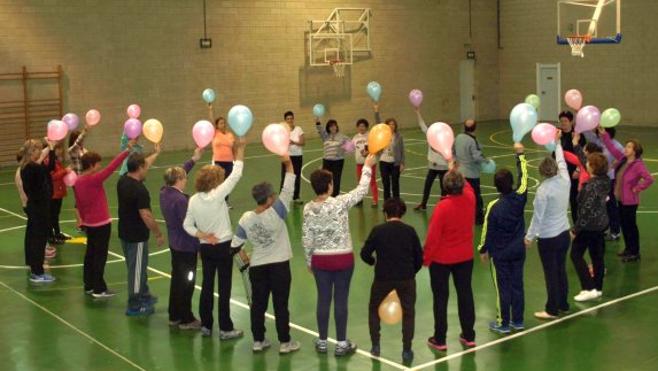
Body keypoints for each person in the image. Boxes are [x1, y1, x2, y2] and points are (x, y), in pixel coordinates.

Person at [303, 153, 378, 356]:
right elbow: (362, 190)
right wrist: (368, 166)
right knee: (341, 300)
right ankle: (342, 343)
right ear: (328, 186)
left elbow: (307, 238)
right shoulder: (340, 203)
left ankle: (322, 341)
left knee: (323, 299)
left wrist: (309, 261)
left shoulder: (308, 209)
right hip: (343, 259)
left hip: (320, 261)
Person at [230, 155, 301, 354]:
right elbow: (289, 187)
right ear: (270, 198)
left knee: (258, 305)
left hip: (258, 268)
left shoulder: (246, 218)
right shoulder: (278, 211)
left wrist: (244, 255)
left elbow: (235, 245)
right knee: (281, 305)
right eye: (273, 196)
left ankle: (258, 341)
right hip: (279, 266)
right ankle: (285, 343)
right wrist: (288, 163)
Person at [184, 138, 247, 339]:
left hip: (206, 248)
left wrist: (202, 235)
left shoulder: (193, 199)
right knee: (224, 287)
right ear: (214, 182)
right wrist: (241, 150)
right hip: (222, 247)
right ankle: (226, 328)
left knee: (208, 286)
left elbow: (187, 225)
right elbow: (236, 174)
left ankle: (206, 325)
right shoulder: (217, 195)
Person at [360, 198, 422, 363]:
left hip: (383, 278)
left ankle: (375, 346)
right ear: (402, 213)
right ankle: (407, 350)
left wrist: (373, 262)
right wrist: (411, 272)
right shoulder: (410, 231)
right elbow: (419, 258)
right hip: (406, 278)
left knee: (374, 309)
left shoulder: (378, 230)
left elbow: (365, 253)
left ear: (385, 213)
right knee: (409, 313)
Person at [423, 163, 477, 351]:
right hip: (465, 257)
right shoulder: (470, 198)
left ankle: (440, 339)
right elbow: (467, 185)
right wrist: (454, 169)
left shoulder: (442, 207)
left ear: (445, 187)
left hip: (442, 260)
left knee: (441, 298)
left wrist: (426, 258)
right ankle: (469, 335)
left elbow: (433, 237)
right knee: (465, 294)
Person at [478, 143, 528, 334]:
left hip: (500, 253)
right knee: (517, 284)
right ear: (511, 182)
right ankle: (518, 320)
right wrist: (520, 155)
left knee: (502, 287)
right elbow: (524, 179)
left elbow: (487, 230)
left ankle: (503, 322)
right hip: (518, 250)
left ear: (496, 186)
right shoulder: (520, 198)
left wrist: (483, 249)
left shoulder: (494, 206)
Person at [74, 143, 134, 298]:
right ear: (92, 165)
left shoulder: (78, 181)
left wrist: (82, 219)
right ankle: (99, 289)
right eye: (98, 164)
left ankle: (89, 284)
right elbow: (112, 167)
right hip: (101, 223)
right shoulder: (94, 179)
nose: (100, 166)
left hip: (89, 223)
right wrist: (126, 151)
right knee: (100, 256)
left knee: (90, 254)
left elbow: (79, 203)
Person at [525, 131, 571, 320]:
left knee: (550, 273)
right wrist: (558, 143)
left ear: (542, 173)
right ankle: (563, 303)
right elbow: (562, 161)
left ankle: (551, 309)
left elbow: (538, 218)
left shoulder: (543, 191)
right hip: (564, 234)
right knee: (561, 269)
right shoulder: (565, 180)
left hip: (548, 239)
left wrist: (529, 237)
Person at [160, 147, 204, 330]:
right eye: (184, 178)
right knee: (187, 282)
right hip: (186, 247)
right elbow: (189, 227)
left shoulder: (164, 192)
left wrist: (193, 160)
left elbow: (180, 171)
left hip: (175, 245)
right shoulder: (180, 201)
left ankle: (174, 314)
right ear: (178, 180)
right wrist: (200, 247)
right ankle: (186, 318)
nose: (186, 179)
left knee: (176, 280)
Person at [117, 149, 165, 316]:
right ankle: (135, 305)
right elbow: (146, 214)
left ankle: (144, 294)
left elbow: (144, 164)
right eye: (145, 167)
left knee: (139, 266)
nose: (147, 169)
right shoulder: (140, 190)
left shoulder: (122, 180)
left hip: (124, 232)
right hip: (136, 236)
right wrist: (158, 233)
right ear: (139, 168)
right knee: (136, 270)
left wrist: (156, 153)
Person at [600, 127, 654, 262]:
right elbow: (612, 148)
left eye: (629, 147)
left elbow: (649, 179)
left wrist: (637, 188)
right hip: (621, 199)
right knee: (624, 225)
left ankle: (635, 252)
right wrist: (604, 135)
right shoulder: (623, 159)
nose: (626, 148)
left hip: (630, 201)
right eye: (626, 146)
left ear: (635, 151)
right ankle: (628, 249)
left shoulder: (638, 165)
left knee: (631, 226)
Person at [570, 152, 610, 302]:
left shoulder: (590, 188)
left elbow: (586, 212)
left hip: (589, 227)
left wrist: (575, 229)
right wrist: (577, 146)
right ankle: (598, 288)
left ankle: (588, 287)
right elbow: (585, 161)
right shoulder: (604, 181)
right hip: (601, 225)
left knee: (575, 255)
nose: (586, 164)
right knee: (597, 256)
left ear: (592, 167)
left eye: (589, 163)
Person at [20, 138, 57, 283]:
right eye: (38, 150)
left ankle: (33, 266)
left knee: (31, 238)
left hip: (33, 206)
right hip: (40, 208)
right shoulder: (34, 168)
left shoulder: (25, 167)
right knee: (39, 241)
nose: (40, 152)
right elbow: (51, 167)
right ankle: (37, 272)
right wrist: (52, 149)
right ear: (33, 151)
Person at [414, 108, 448, 210]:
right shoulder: (430, 135)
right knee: (427, 185)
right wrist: (417, 112)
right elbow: (422, 125)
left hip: (443, 167)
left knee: (444, 188)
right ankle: (423, 204)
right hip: (432, 167)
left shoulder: (446, 138)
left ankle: (443, 206)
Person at [454, 119, 487, 225]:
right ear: (475, 128)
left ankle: (461, 217)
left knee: (461, 196)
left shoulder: (458, 137)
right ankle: (478, 219)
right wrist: (486, 161)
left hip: (460, 173)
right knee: (476, 197)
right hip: (472, 174)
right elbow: (477, 157)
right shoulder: (472, 141)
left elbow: (452, 151)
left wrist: (457, 161)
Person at [558, 111, 586, 223]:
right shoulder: (558, 134)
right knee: (561, 201)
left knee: (575, 202)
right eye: (561, 121)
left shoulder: (578, 136)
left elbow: (583, 155)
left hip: (574, 174)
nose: (563, 123)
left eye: (565, 121)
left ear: (571, 122)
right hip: (561, 173)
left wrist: (578, 170)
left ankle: (577, 226)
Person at [373, 104, 405, 200]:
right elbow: (378, 123)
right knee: (386, 184)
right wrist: (376, 111)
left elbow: (402, 150)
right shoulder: (383, 134)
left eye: (393, 124)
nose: (391, 126)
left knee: (395, 184)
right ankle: (387, 203)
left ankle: (396, 202)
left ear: (395, 126)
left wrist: (402, 163)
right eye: (389, 124)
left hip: (395, 163)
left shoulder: (399, 136)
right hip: (384, 162)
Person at [315, 119, 349, 197]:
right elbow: (320, 129)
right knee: (326, 180)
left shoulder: (342, 137)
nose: (333, 128)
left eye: (334, 126)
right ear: (328, 128)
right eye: (331, 126)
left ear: (337, 127)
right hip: (327, 161)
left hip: (338, 162)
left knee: (336, 180)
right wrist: (317, 122)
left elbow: (351, 147)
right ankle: (327, 196)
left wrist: (341, 152)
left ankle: (335, 196)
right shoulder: (326, 136)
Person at [352, 118, 378, 207]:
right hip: (359, 163)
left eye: (363, 126)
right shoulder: (355, 137)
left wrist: (368, 151)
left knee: (372, 181)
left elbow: (374, 147)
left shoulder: (370, 136)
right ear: (357, 127)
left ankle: (375, 200)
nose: (361, 128)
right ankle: (360, 200)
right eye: (360, 126)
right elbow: (350, 148)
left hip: (370, 163)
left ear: (366, 127)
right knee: (360, 182)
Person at [47, 143, 70, 245]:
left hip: (59, 192)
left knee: (56, 215)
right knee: (52, 215)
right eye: (58, 149)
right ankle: (51, 236)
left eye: (61, 149)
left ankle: (57, 233)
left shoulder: (57, 161)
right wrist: (65, 171)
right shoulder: (49, 161)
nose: (60, 151)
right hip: (53, 193)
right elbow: (52, 177)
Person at [282, 111, 305, 204]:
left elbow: (303, 142)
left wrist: (293, 142)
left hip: (297, 156)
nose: (290, 120)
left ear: (293, 119)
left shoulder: (299, 129)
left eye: (291, 118)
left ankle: (296, 197)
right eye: (288, 119)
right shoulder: (282, 131)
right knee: (285, 176)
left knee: (296, 176)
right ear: (285, 120)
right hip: (287, 157)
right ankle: (283, 197)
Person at [212, 116, 236, 204]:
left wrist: (236, 159)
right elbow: (211, 119)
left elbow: (233, 148)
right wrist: (210, 109)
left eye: (224, 123)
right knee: (219, 183)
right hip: (219, 162)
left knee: (227, 183)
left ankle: (225, 201)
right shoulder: (215, 133)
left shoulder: (230, 135)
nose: (223, 124)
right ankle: (218, 201)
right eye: (221, 123)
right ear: (217, 125)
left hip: (229, 162)